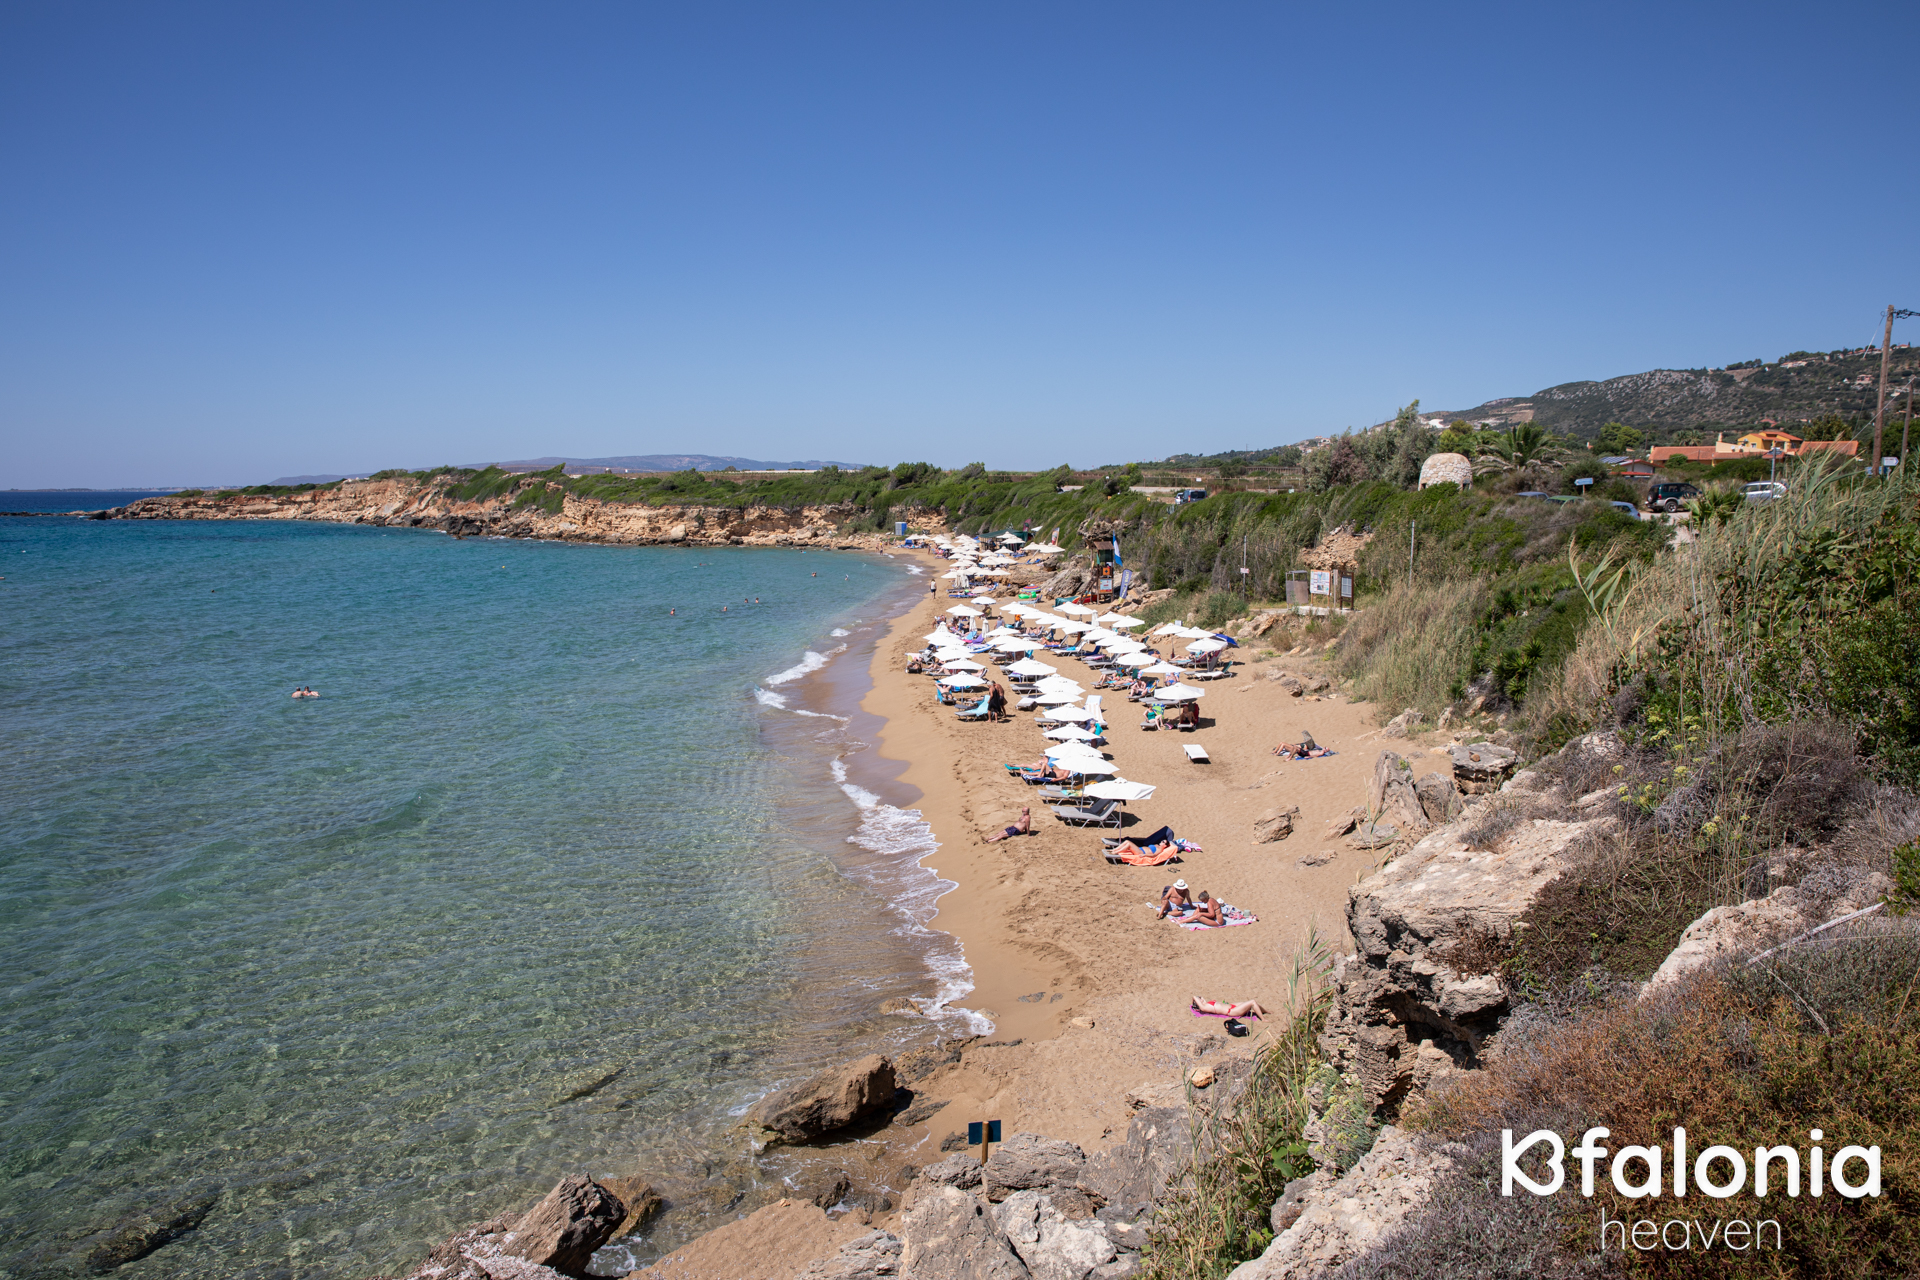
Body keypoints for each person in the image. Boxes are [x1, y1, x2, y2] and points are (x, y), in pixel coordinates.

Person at [1191, 997, 1266, 1018]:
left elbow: (1201, 999)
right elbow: (1201, 1007)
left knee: (1251, 1003)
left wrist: (1200, 999)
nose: (1201, 998)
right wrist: (1194, 997)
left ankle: (1265, 1011)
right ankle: (1263, 1019)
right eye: (1199, 998)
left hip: (1232, 1006)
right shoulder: (1205, 1007)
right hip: (1232, 1011)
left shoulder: (1207, 1004)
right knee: (1252, 1002)